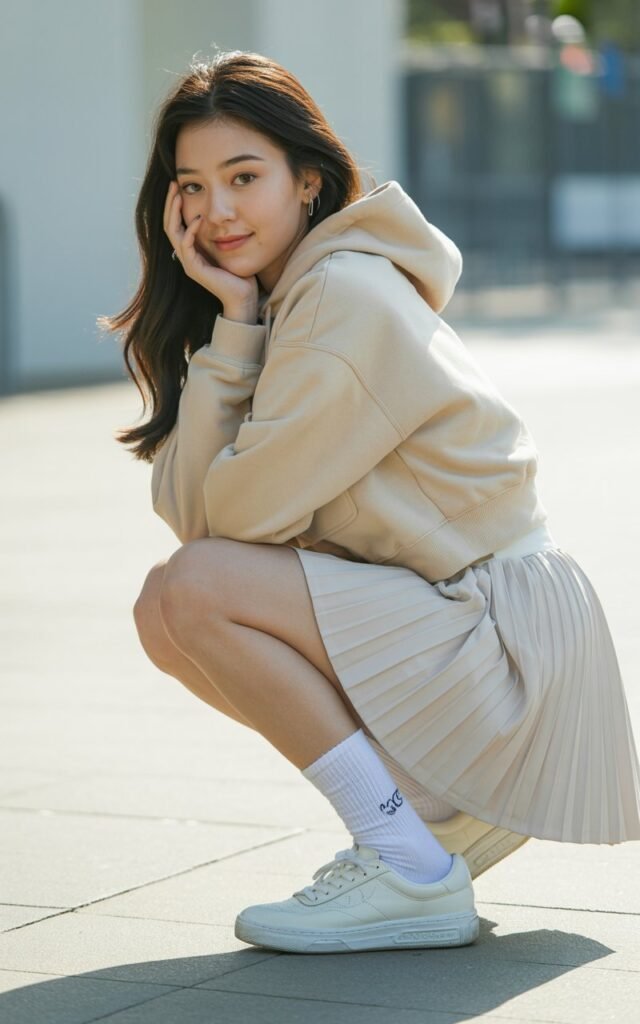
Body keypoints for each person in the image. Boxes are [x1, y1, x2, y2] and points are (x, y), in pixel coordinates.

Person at [99, 49, 640, 955]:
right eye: (191, 185)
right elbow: (196, 514)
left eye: (244, 176)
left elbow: (218, 534)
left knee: (190, 590)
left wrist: (237, 333)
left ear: (307, 180)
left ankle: (410, 861)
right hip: (466, 627)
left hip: (503, 645)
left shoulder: (340, 297)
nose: (215, 210)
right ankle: (422, 821)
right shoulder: (280, 301)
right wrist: (231, 324)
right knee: (168, 609)